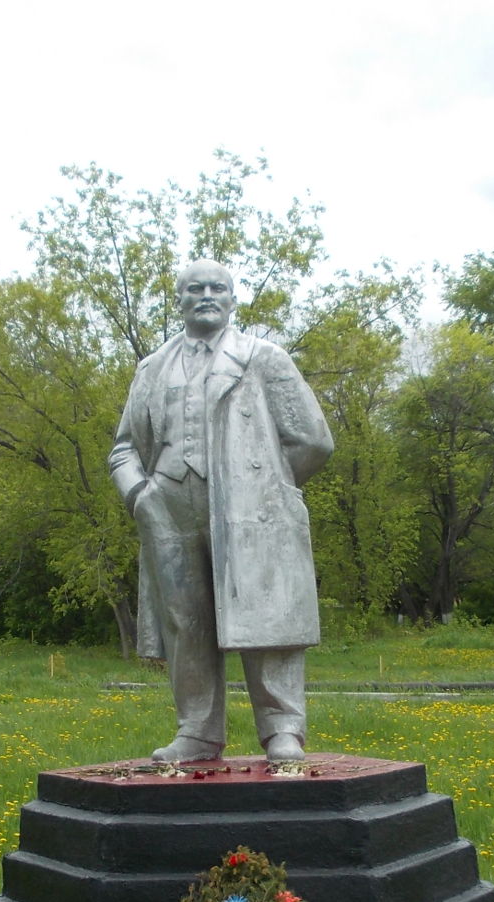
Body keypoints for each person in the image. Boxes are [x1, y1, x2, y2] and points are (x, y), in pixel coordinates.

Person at [109, 259, 334, 762]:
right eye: (195, 289)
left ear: (233, 299)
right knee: (185, 622)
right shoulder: (152, 368)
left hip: (251, 510)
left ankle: (282, 729)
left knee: (264, 616)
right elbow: (123, 448)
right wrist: (140, 496)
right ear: (180, 301)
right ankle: (197, 731)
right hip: (168, 506)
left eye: (218, 287)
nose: (206, 295)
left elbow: (314, 441)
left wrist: (266, 488)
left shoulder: (264, 358)